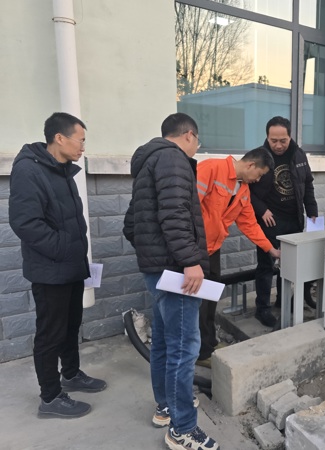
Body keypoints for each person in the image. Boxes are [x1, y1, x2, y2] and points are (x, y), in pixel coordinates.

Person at [123, 113, 219, 450]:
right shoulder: (173, 160)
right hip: (177, 272)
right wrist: (190, 261)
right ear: (189, 135)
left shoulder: (149, 162)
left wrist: (152, 256)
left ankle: (166, 407)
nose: (196, 148)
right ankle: (183, 430)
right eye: (198, 142)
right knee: (183, 348)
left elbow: (131, 224)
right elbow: (176, 214)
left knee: (165, 342)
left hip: (159, 271)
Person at [8, 112, 107, 419]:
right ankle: (50, 397)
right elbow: (25, 223)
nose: (83, 147)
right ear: (60, 138)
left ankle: (71, 374)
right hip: (51, 270)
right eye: (81, 140)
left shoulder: (62, 169)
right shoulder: (29, 170)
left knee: (70, 325)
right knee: (50, 334)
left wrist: (74, 253)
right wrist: (64, 249)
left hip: (71, 266)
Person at [196, 147, 281, 365]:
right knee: (197, 301)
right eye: (259, 175)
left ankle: (208, 343)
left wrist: (271, 249)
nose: (258, 180)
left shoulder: (243, 190)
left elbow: (249, 224)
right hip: (193, 247)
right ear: (251, 165)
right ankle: (199, 352)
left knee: (210, 297)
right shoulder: (211, 169)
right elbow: (187, 207)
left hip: (213, 249)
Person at [250, 116, 319, 326]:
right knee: (266, 266)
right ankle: (262, 308)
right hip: (269, 222)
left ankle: (282, 301)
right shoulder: (258, 156)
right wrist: (262, 210)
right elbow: (247, 189)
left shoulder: (299, 155)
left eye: (283, 140)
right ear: (267, 137)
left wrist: (312, 210)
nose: (278, 145)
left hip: (293, 219)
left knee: (289, 265)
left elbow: (307, 184)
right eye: (274, 141)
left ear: (290, 136)